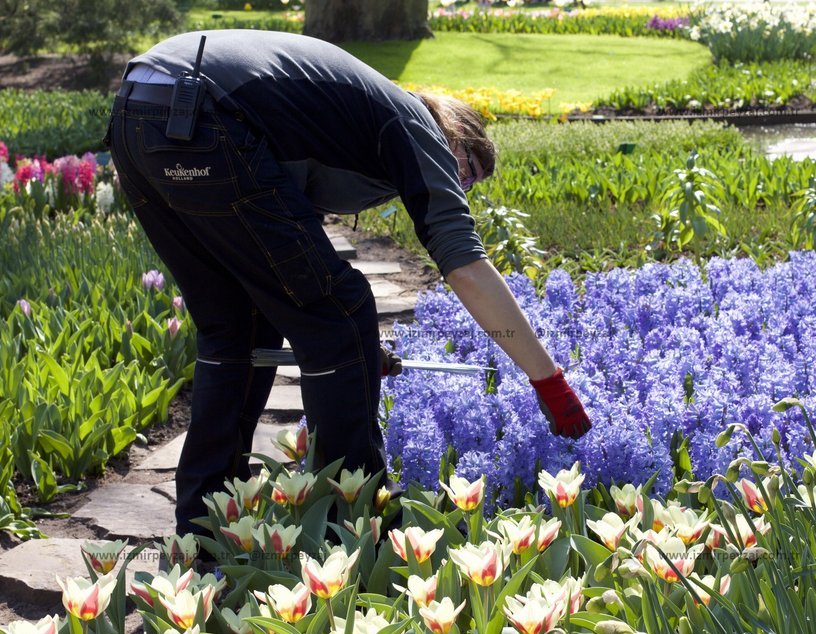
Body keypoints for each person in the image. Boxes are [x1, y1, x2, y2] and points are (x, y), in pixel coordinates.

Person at [105, 29, 592, 538]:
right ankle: (354, 529)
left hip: (139, 113)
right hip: (201, 112)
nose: (460, 190)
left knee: (238, 325)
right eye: (466, 174)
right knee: (342, 310)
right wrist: (548, 381)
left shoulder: (342, 125)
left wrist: (355, 354)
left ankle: (203, 535)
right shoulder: (413, 123)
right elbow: (466, 269)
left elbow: (287, 262)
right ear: (454, 137)